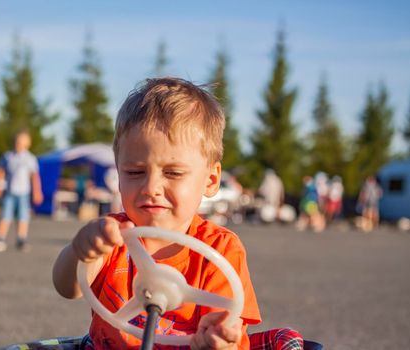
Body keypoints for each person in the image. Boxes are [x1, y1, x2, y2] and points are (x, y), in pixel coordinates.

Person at [52, 78, 267, 349]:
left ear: (211, 181)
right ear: (119, 175)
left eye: (173, 173)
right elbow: (67, 287)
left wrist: (220, 341)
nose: (151, 188)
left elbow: (229, 327)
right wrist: (80, 251)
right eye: (135, 172)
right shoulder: (112, 236)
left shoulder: (220, 249)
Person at [0, 130, 43, 252]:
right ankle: (0, 238)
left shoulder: (30, 158)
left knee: (23, 216)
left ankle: (21, 239)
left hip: (24, 192)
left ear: (27, 144)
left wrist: (37, 191)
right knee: (5, 215)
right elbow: (0, 172)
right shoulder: (8, 156)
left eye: (21, 142)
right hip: (10, 191)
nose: (18, 144)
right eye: (17, 142)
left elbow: (34, 176)